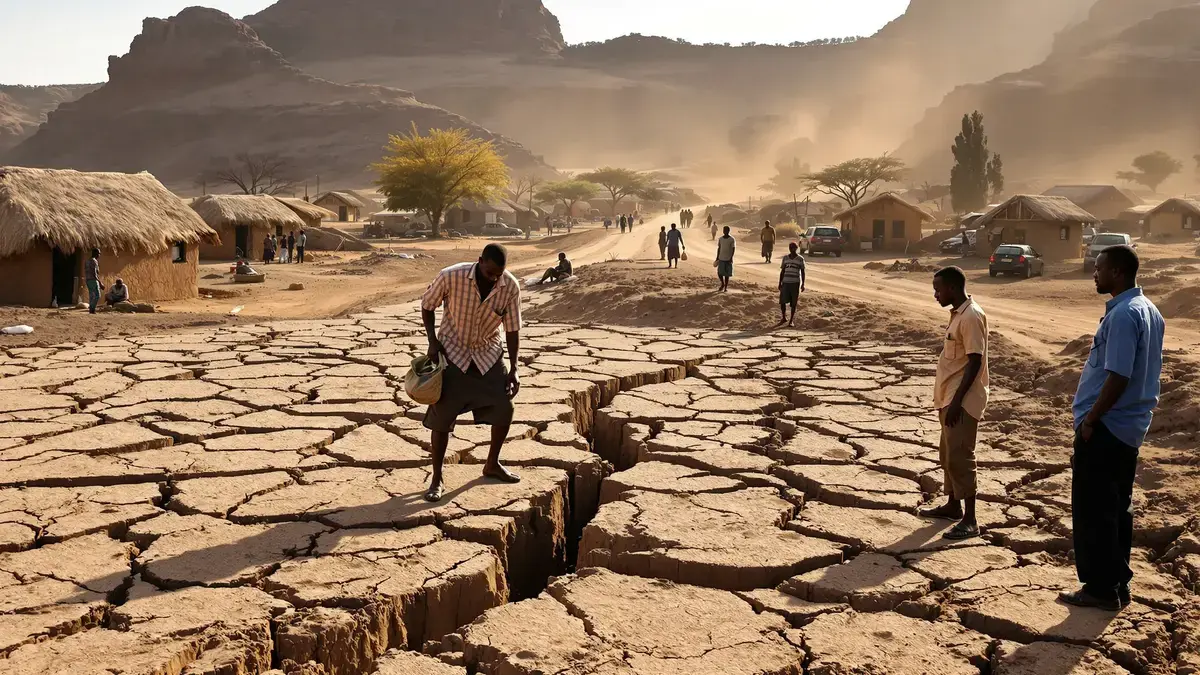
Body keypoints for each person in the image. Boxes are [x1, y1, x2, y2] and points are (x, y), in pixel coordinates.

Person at [1061, 245, 1164, 611]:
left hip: (1106, 428)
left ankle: (1101, 589)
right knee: (1117, 508)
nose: (1094, 272)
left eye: (1100, 267)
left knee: (1094, 511)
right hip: (1128, 429)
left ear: (1118, 272)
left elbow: (1119, 375)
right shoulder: (1148, 309)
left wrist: (1090, 420)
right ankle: (1118, 584)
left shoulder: (1124, 315)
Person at [421, 244, 523, 502]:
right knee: (442, 417)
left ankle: (492, 464)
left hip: (488, 354)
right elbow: (427, 305)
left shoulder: (509, 287)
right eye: (489, 272)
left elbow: (512, 330)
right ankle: (437, 478)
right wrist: (433, 341)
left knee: (504, 408)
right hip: (452, 353)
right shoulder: (451, 276)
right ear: (480, 262)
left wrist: (514, 368)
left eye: (498, 274)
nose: (494, 279)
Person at [920, 266, 989, 542]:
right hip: (950, 398)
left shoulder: (971, 316)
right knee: (947, 455)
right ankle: (952, 506)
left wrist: (958, 402)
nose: (935, 294)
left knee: (961, 457)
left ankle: (970, 520)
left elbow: (975, 361)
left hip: (961, 401)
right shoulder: (958, 315)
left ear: (952, 287)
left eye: (938, 289)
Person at [778, 242, 806, 326]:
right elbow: (782, 271)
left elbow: (803, 271)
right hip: (785, 282)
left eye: (793, 248)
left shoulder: (800, 259)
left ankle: (791, 320)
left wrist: (803, 284)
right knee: (782, 301)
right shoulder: (785, 258)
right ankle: (784, 317)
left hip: (795, 283)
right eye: (790, 248)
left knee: (793, 302)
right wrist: (780, 283)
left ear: (796, 248)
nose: (792, 249)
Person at [716, 226, 736, 292]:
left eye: (726, 230)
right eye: (724, 230)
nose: (725, 232)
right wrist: (717, 257)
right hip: (721, 258)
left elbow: (733, 249)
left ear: (729, 231)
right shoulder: (720, 239)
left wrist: (731, 257)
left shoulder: (732, 239)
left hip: (728, 259)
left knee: (727, 274)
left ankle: (725, 287)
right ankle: (722, 283)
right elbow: (719, 248)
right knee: (719, 273)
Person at [85, 248, 103, 314]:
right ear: (95, 253)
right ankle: (92, 308)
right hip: (93, 280)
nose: (99, 255)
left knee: (91, 295)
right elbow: (94, 273)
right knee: (97, 295)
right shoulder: (94, 261)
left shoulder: (87, 261)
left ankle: (91, 310)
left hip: (88, 280)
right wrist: (100, 282)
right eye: (99, 253)